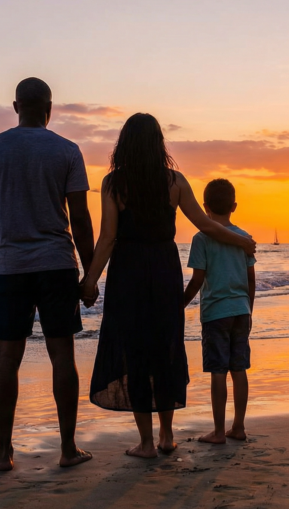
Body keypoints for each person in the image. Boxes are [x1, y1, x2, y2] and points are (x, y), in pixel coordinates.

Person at [81, 113, 256, 459]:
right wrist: (241, 242)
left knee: (135, 352)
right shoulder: (174, 181)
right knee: (165, 349)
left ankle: (146, 443)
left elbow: (108, 238)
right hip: (163, 271)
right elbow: (206, 224)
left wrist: (89, 281)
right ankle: (166, 436)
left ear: (124, 145)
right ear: (158, 144)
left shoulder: (114, 184)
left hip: (128, 274)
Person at [0, 77, 95, 470]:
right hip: (57, 262)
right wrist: (90, 271)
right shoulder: (67, 150)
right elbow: (81, 218)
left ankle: (4, 453)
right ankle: (68, 449)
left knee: (7, 358)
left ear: (15, 106)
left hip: (10, 266)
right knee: (62, 356)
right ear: (50, 109)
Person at [182, 179, 255, 444]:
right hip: (241, 310)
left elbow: (197, 280)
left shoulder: (202, 238)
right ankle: (238, 426)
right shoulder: (244, 239)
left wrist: (179, 304)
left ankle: (217, 430)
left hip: (216, 313)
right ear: (234, 206)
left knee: (218, 371)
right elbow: (251, 279)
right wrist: (249, 309)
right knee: (239, 369)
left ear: (204, 208)